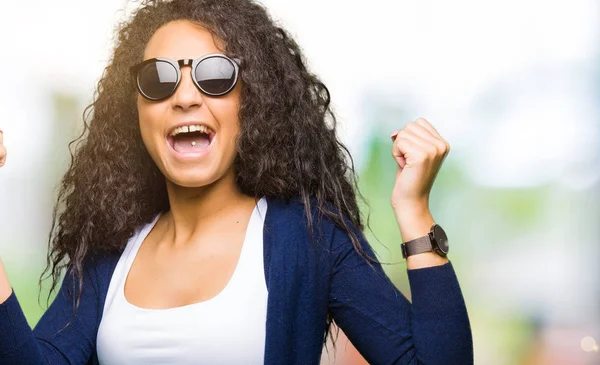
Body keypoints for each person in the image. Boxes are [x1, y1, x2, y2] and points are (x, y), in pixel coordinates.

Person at [0, 0, 473, 364]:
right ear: (136, 112)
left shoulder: (308, 238)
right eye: (159, 79)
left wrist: (415, 212)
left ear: (253, 102)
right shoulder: (110, 256)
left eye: (216, 76)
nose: (185, 95)